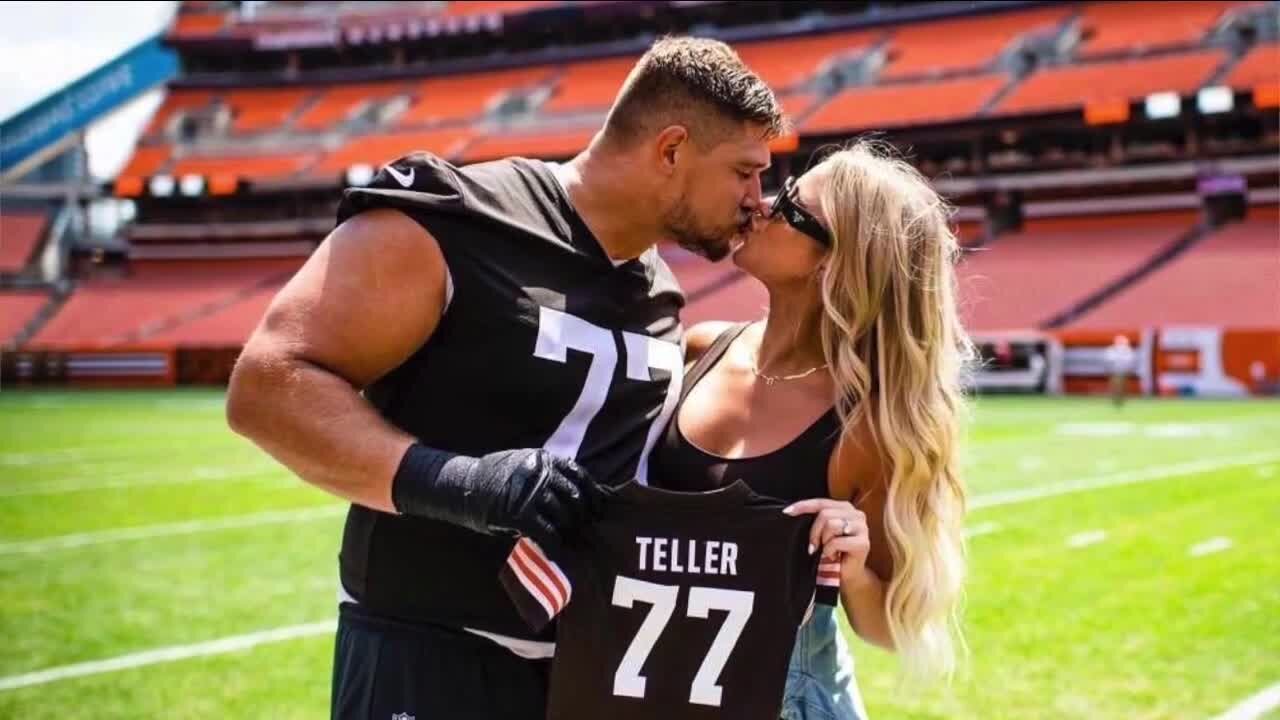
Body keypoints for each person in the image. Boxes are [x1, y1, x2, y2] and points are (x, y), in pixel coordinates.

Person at [224, 36, 785, 720]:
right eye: (745, 172)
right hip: (429, 656)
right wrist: (464, 484)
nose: (759, 199)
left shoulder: (659, 292)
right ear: (670, 151)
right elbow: (266, 384)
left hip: (587, 668)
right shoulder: (461, 218)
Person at [647, 139, 977, 719]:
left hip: (788, 701)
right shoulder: (699, 347)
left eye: (793, 208)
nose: (762, 206)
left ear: (835, 261)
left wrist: (851, 563)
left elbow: (886, 628)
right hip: (661, 686)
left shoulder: (864, 429)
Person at [1104, 334, 1135, 407]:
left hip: (1123, 371)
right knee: (1116, 386)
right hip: (1115, 371)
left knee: (1121, 386)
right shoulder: (1112, 349)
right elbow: (1109, 360)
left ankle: (1120, 399)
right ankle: (1116, 399)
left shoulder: (1127, 350)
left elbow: (1129, 361)